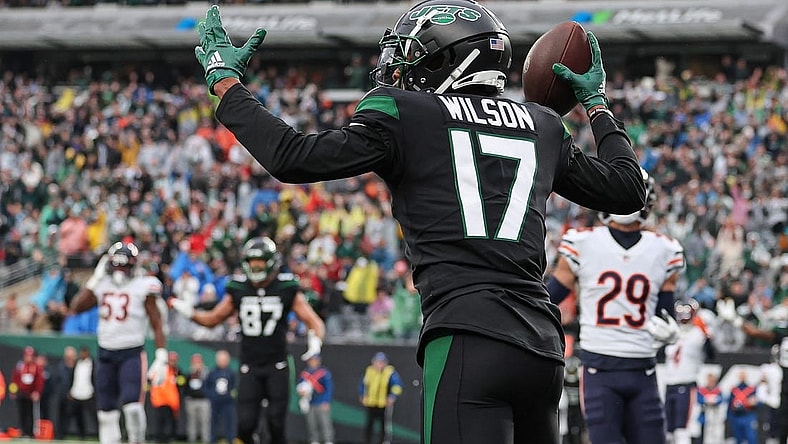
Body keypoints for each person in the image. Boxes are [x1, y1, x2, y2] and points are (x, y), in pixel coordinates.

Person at [192, 1, 646, 440]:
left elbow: (292, 158)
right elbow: (627, 191)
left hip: (468, 336)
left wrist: (228, 85)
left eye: (412, 56)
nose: (400, 68)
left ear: (449, 59)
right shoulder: (543, 124)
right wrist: (598, 105)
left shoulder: (404, 113)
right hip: (542, 349)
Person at [547, 178, 684, 444]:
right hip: (611, 367)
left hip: (627, 367)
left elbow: (548, 297)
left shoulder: (583, 241)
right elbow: (665, 314)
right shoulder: (665, 248)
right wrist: (671, 330)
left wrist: (671, 330)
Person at [170, 236, 325, 444]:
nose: (256, 266)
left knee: (276, 423)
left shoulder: (286, 287)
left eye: (260, 261)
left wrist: (315, 342)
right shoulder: (238, 288)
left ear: (271, 262)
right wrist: (190, 312)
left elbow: (315, 322)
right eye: (252, 261)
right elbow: (212, 319)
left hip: (277, 365)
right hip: (249, 365)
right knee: (244, 424)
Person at [69, 241, 170, 444]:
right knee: (106, 413)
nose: (120, 271)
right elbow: (76, 307)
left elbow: (157, 323)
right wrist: (96, 278)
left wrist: (161, 355)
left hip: (131, 352)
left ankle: (137, 441)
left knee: (132, 407)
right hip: (105, 353)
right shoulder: (102, 284)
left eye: (125, 266)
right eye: (117, 266)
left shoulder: (144, 285)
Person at [717, 298, 788, 443]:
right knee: (779, 425)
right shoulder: (782, 333)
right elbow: (757, 333)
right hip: (783, 385)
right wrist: (736, 320)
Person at [662, 299, 715, 444]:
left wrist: (705, 332)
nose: (683, 316)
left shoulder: (698, 332)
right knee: (668, 430)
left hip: (686, 384)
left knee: (682, 428)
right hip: (669, 384)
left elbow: (711, 354)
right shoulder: (672, 331)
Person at [359, 352, 403, 444]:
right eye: (377, 362)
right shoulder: (369, 371)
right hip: (371, 403)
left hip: (384, 404)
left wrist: (392, 396)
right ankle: (367, 441)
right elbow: (363, 384)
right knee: (369, 425)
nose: (379, 364)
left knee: (384, 425)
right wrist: (362, 394)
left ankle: (384, 441)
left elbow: (397, 386)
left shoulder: (390, 372)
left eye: (382, 362)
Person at [296, 352, 335, 444]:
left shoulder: (324, 373)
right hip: (309, 403)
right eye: (311, 360)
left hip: (321, 402)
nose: (313, 362)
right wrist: (301, 392)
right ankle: (314, 440)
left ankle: (328, 440)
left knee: (325, 423)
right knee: (312, 424)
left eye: (315, 360)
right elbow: (299, 386)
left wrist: (326, 401)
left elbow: (329, 388)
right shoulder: (304, 374)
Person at [9, 346, 44, 438]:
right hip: (21, 393)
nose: (28, 358)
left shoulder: (36, 367)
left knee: (30, 414)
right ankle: (23, 431)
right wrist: (13, 391)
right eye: (26, 355)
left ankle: (31, 432)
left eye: (30, 356)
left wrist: (37, 392)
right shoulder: (20, 366)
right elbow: (14, 380)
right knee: (22, 413)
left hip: (31, 395)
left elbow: (39, 380)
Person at [150, 351, 182, 443]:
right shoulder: (161, 369)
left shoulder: (176, 371)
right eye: (171, 360)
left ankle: (169, 438)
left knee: (171, 422)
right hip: (161, 400)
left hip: (171, 402)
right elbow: (152, 380)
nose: (173, 362)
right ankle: (159, 438)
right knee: (160, 422)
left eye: (174, 360)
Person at [205, 349, 236, 444]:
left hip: (228, 403)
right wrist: (211, 395)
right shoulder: (212, 372)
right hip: (215, 402)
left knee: (229, 423)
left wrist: (231, 395)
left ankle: (230, 439)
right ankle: (213, 440)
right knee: (213, 423)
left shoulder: (231, 373)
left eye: (224, 359)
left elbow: (235, 386)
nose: (222, 362)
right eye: (220, 359)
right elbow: (205, 386)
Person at [184, 353, 211, 444]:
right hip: (191, 400)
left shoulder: (206, 373)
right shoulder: (189, 373)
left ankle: (206, 440)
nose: (197, 364)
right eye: (195, 362)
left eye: (198, 362)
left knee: (205, 421)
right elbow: (185, 386)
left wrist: (200, 373)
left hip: (204, 400)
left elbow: (209, 384)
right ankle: (192, 440)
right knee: (192, 422)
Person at [727, 369, 759, 444]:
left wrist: (751, 404)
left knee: (751, 437)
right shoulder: (734, 390)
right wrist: (729, 416)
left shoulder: (751, 389)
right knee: (738, 438)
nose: (742, 377)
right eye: (741, 375)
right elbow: (730, 403)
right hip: (737, 416)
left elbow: (755, 402)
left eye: (744, 375)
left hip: (748, 415)